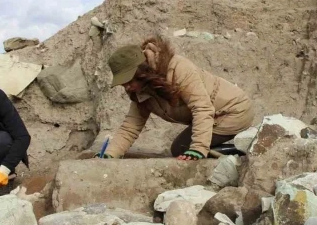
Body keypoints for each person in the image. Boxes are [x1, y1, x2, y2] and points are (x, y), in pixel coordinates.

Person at [102, 35, 254, 160]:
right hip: (214, 114)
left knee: (183, 149)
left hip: (233, 111)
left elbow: (201, 108)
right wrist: (110, 154)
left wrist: (199, 148)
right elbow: (131, 127)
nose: (127, 87)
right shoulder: (141, 91)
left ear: (141, 73)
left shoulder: (178, 69)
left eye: (129, 81)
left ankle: (240, 152)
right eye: (123, 83)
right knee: (180, 148)